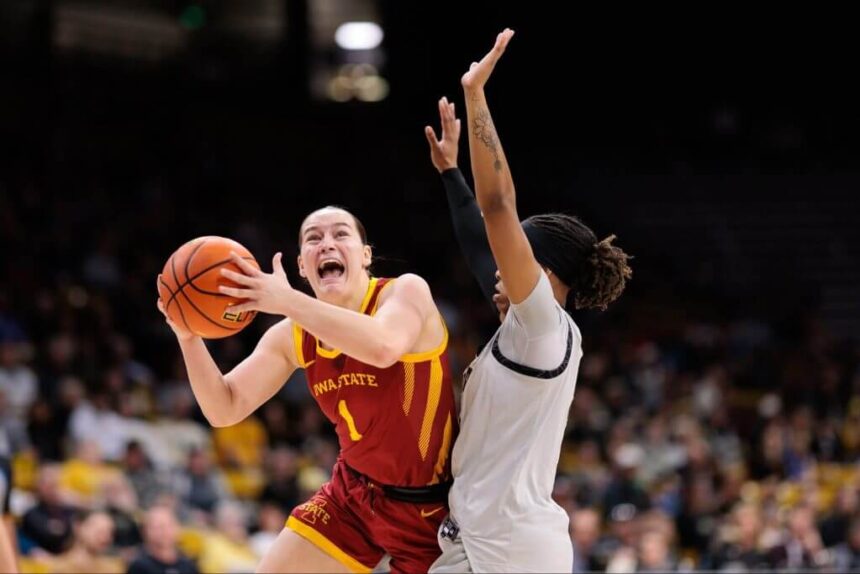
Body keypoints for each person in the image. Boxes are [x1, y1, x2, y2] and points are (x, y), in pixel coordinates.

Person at [423, 29, 632, 572]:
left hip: (510, 552)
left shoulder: (544, 327)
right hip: (487, 543)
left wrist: (475, 96)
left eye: (511, 256)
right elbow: (477, 238)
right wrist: (450, 174)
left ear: (542, 273)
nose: (497, 267)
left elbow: (496, 208)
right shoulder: (523, 333)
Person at [156, 205, 457, 573]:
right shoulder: (293, 334)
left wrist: (286, 301)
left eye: (341, 234)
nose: (327, 244)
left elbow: (382, 347)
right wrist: (188, 337)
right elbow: (225, 407)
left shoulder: (405, 292)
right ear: (302, 265)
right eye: (314, 238)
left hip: (429, 508)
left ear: (365, 256)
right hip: (352, 497)